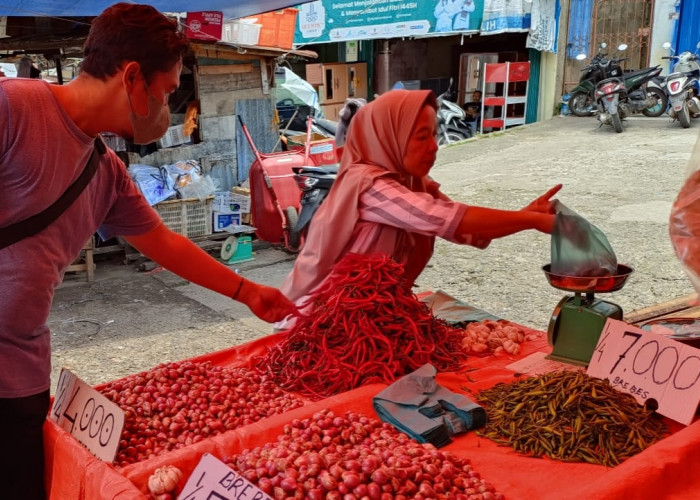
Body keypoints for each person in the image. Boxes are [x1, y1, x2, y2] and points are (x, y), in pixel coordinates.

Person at [0, 4, 295, 499]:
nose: (167, 109)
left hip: (20, 375)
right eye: (166, 93)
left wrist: (246, 291)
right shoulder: (15, 108)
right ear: (132, 77)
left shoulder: (106, 171)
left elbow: (163, 241)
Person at [277, 89, 561, 328]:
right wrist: (529, 220)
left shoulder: (414, 183)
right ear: (390, 136)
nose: (433, 147)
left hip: (367, 316)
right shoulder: (366, 184)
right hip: (317, 320)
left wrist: (527, 215)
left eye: (434, 136)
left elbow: (469, 232)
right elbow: (442, 218)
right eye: (421, 137)